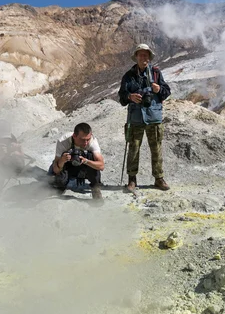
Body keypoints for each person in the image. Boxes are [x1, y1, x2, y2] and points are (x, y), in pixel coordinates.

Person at [118, 43, 171, 192]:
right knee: (133, 149)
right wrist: (130, 96)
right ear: (136, 57)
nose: (144, 57)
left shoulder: (156, 73)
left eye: (146, 55)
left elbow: (167, 92)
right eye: (141, 55)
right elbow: (121, 97)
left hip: (153, 116)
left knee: (156, 149)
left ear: (149, 57)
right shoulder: (128, 76)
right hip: (135, 118)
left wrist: (159, 89)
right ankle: (132, 180)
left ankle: (159, 178)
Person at [49, 122, 105, 201]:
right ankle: (60, 185)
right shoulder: (63, 141)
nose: (85, 143)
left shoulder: (92, 142)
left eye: (87, 139)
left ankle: (95, 189)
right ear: (74, 136)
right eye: (82, 140)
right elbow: (56, 169)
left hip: (84, 166)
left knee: (92, 157)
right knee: (52, 182)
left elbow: (101, 166)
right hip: (68, 165)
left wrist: (86, 161)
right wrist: (62, 160)